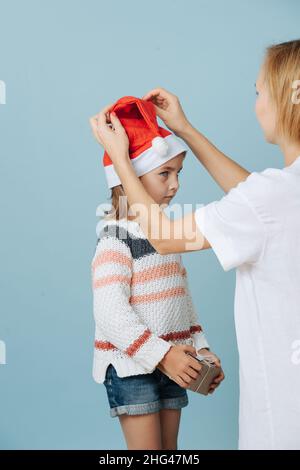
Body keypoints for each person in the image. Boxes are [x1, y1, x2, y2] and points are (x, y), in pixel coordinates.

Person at [90, 40, 300, 450]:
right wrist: (182, 128)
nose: (255, 104)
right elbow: (254, 196)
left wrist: (121, 160)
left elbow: (167, 242)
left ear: (283, 101)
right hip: (141, 367)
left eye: (259, 92)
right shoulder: (279, 193)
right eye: (164, 173)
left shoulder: (273, 197)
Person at [91, 96, 224, 450]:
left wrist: (201, 348)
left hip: (173, 361)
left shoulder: (168, 237)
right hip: (133, 367)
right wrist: (161, 355)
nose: (175, 184)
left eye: (178, 173)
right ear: (130, 176)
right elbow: (110, 314)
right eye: (164, 173)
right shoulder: (115, 240)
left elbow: (183, 300)